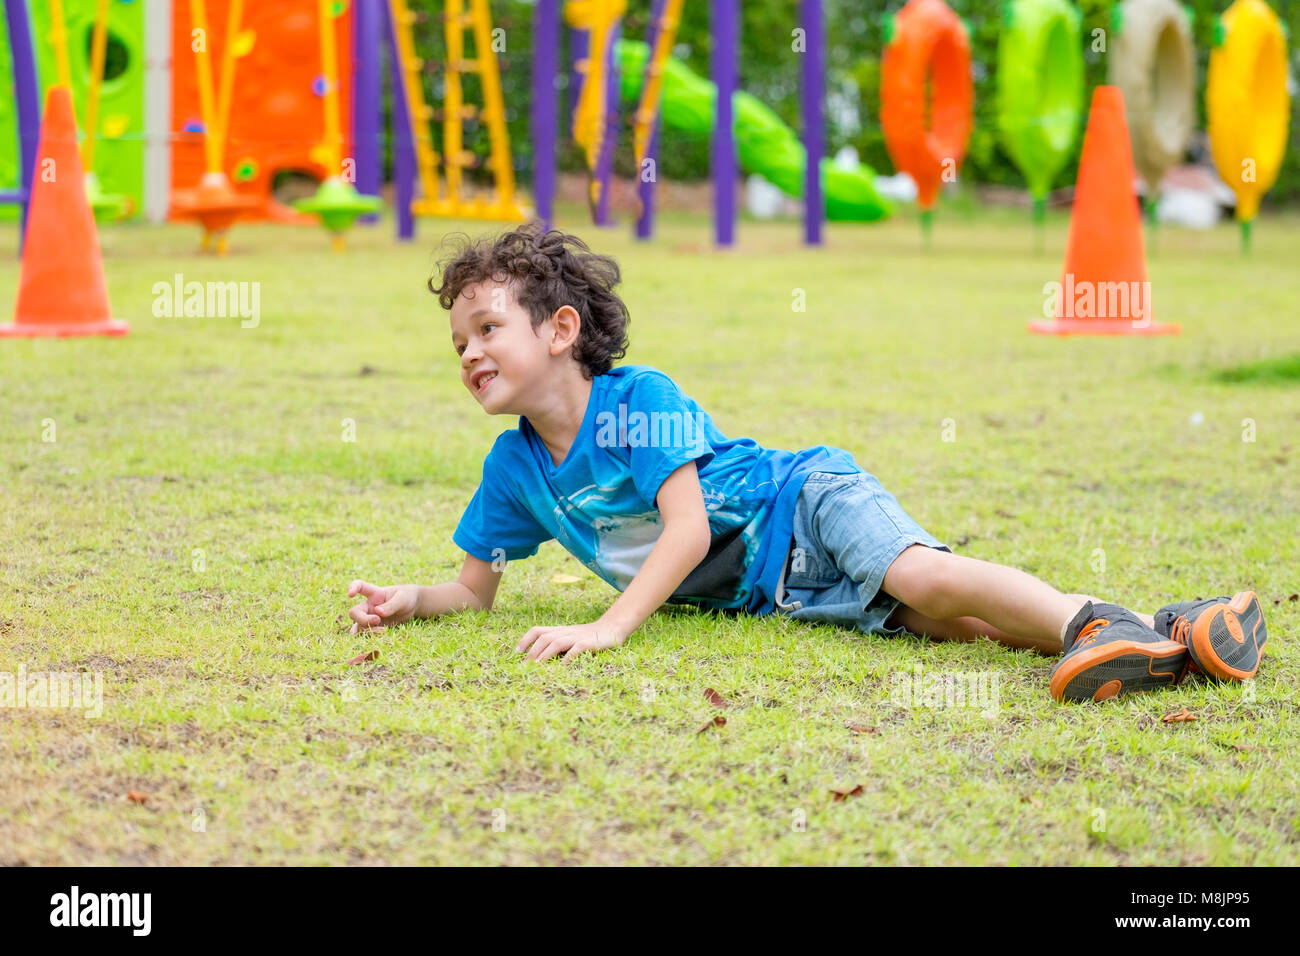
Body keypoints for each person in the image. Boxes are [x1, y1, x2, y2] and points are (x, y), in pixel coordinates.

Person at [346, 222, 1266, 703]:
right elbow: (475, 591)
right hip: (782, 586)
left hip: (804, 501)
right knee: (958, 631)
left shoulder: (637, 403)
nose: (468, 352)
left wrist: (609, 628)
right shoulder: (514, 473)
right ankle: (1171, 637)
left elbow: (689, 527)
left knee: (927, 580)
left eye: (487, 328)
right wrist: (411, 601)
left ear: (559, 331)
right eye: (458, 340)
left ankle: (1092, 621)